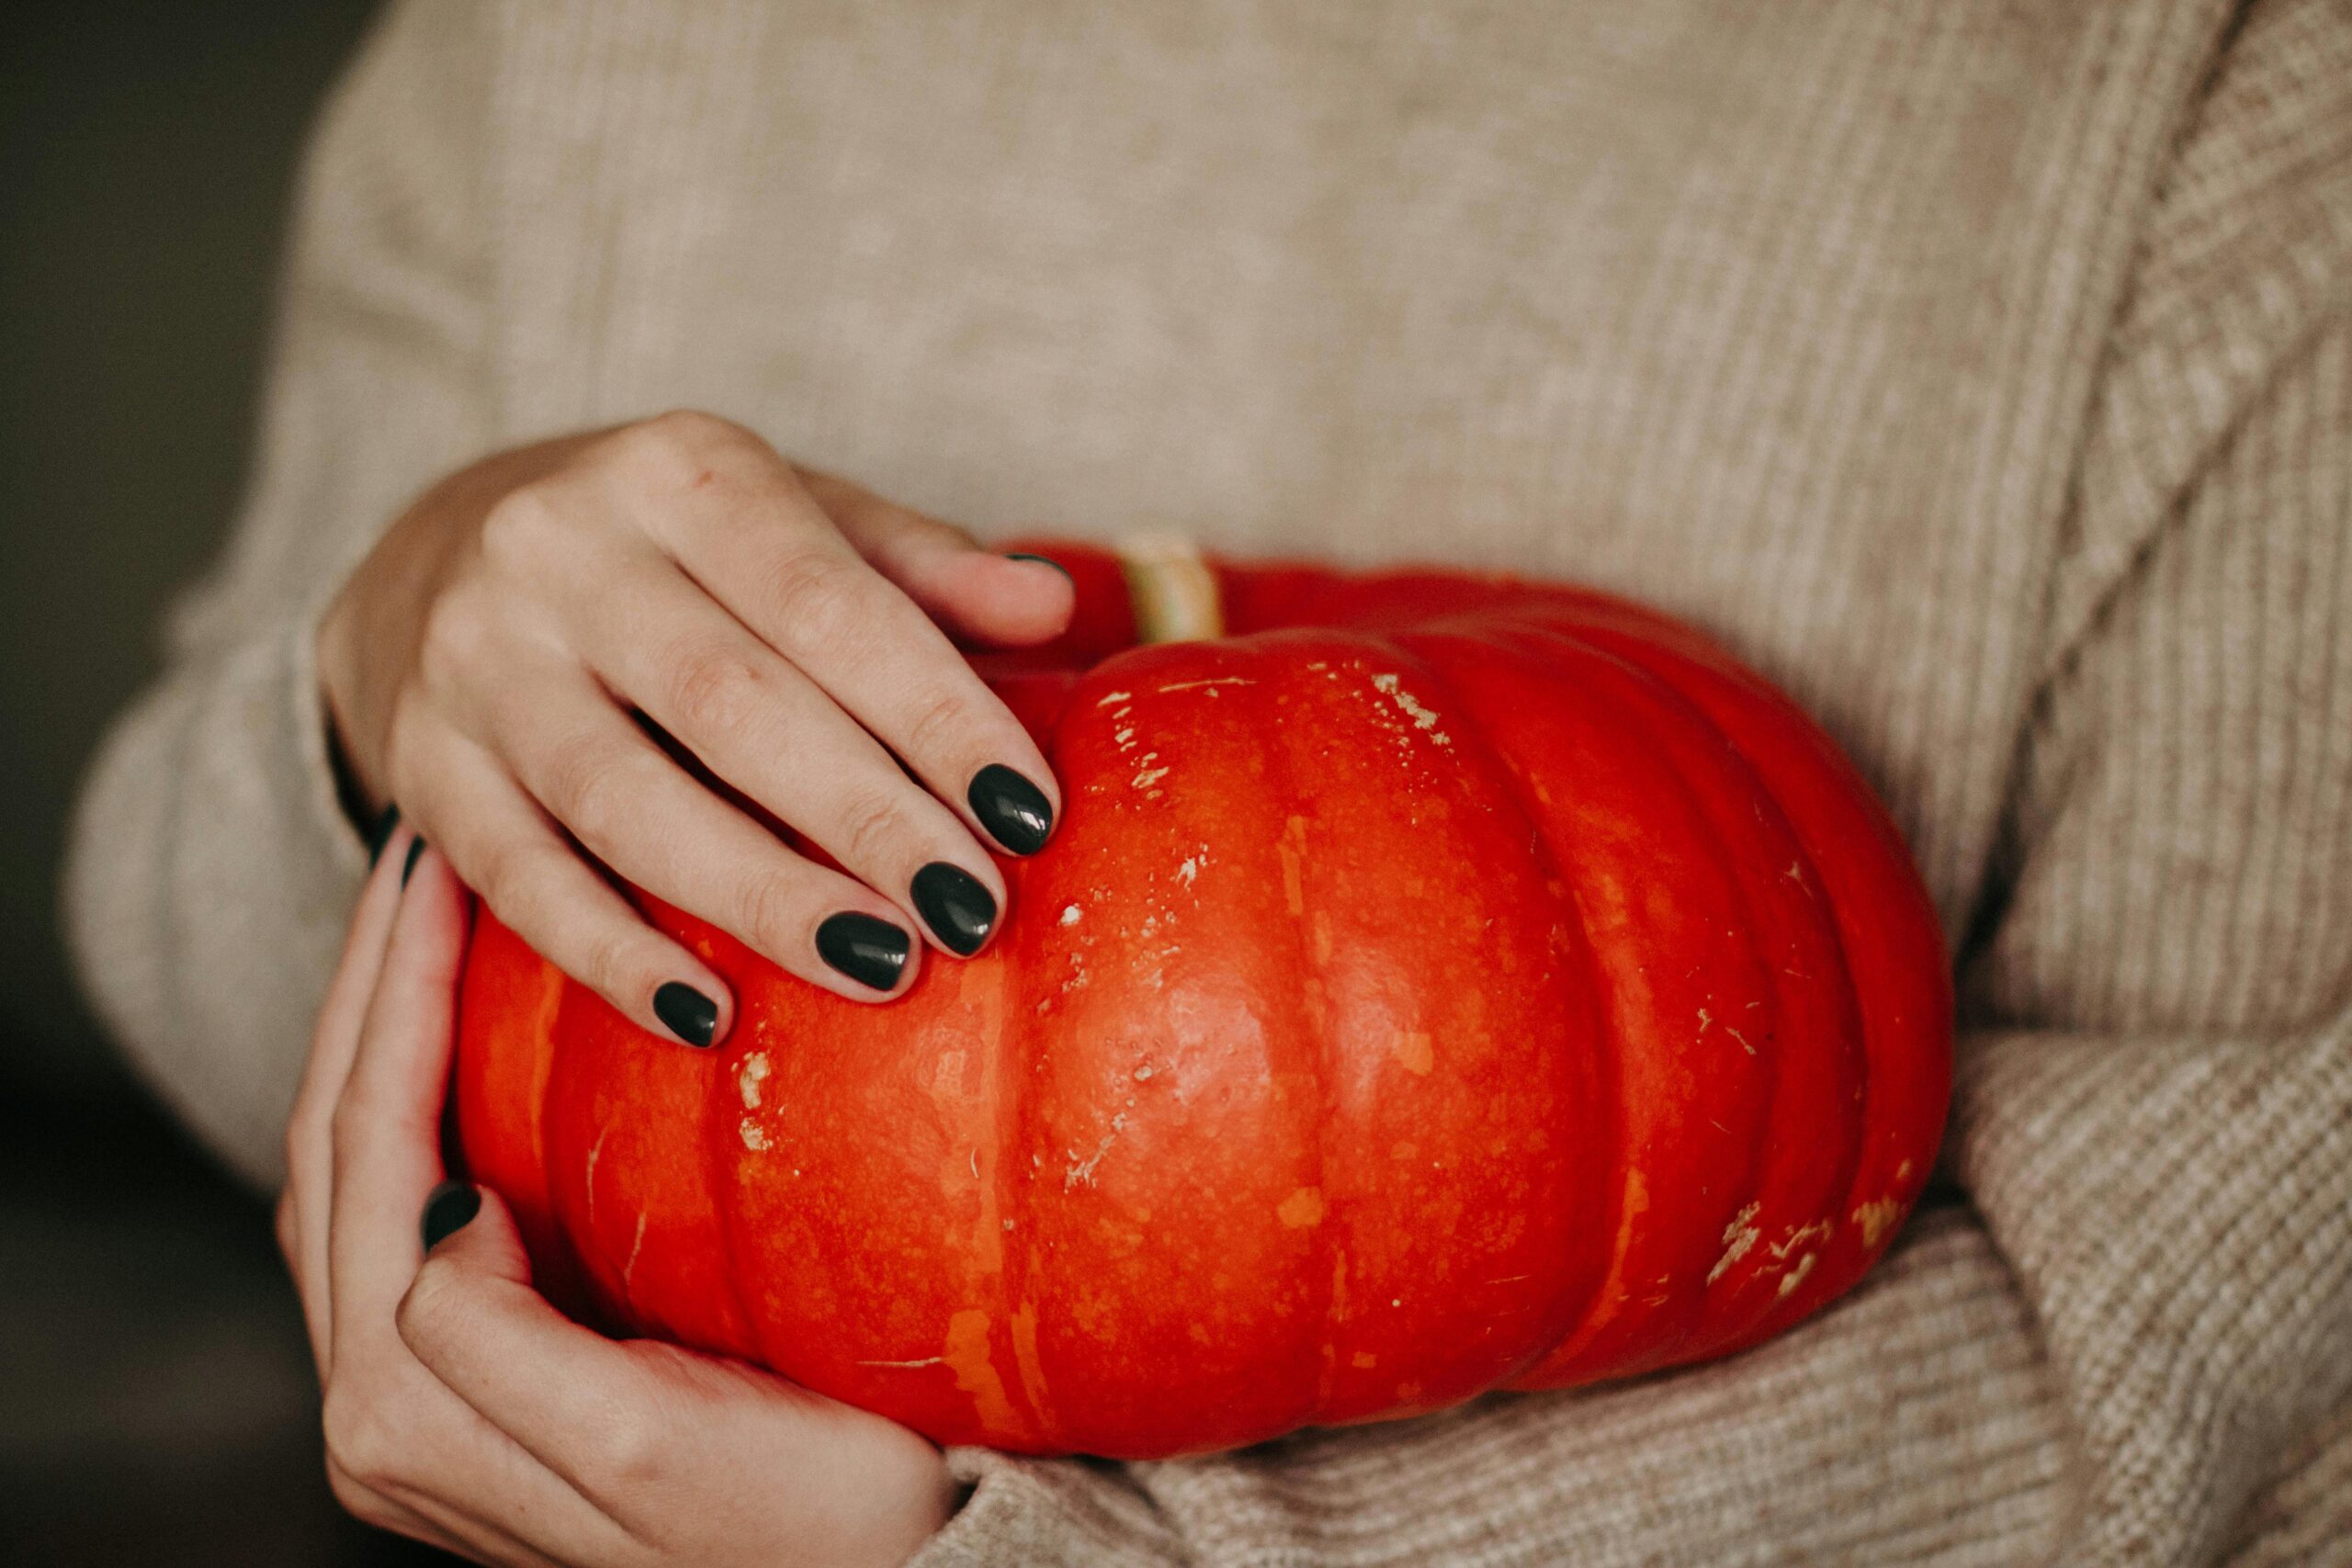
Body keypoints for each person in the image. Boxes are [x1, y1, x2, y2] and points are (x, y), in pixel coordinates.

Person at [66, 1, 2352, 1563]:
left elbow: (2259, 1344)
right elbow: (184, 949)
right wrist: (388, 657)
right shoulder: (561, 43)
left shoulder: (2214, 85)